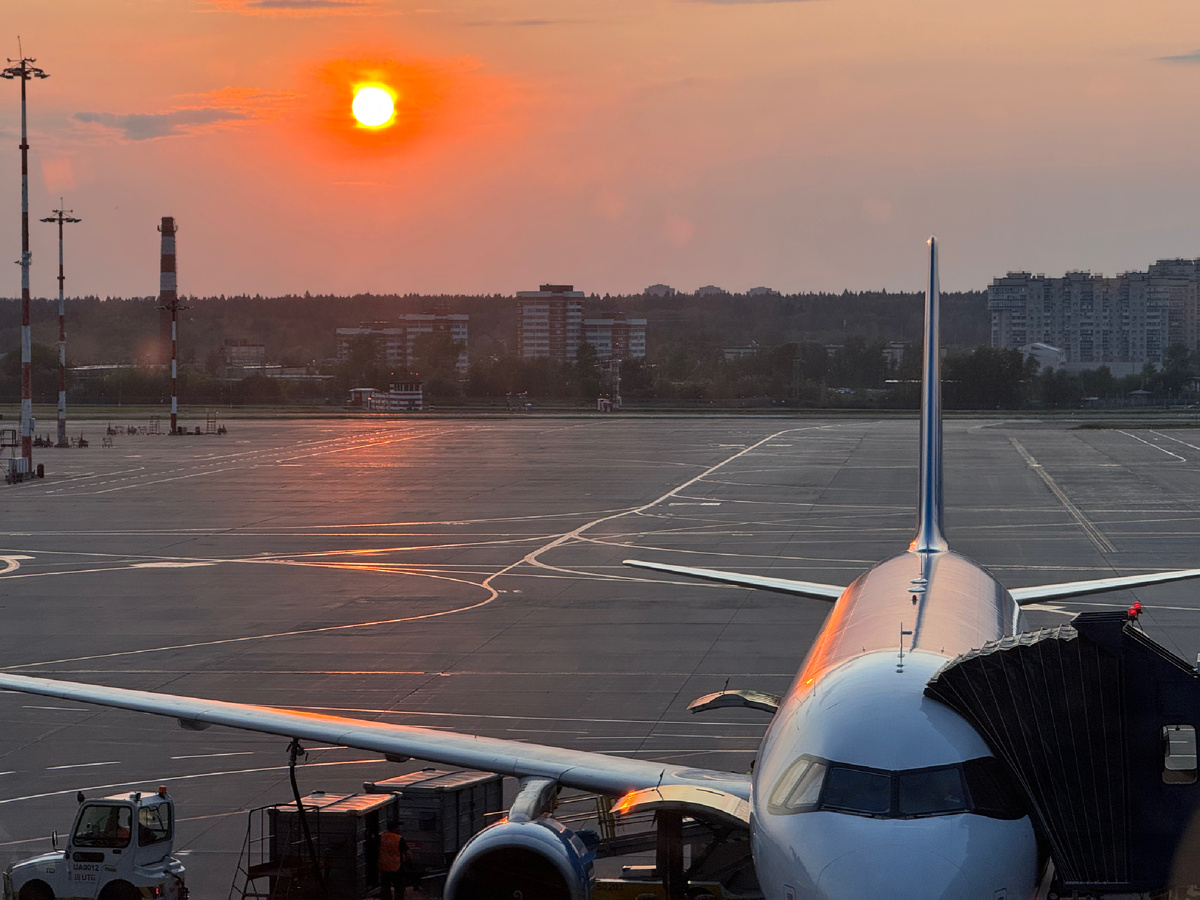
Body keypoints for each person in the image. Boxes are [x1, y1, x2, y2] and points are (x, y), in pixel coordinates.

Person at [378, 828, 408, 900]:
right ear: (395, 829)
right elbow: (407, 854)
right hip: (396, 868)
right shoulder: (399, 839)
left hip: (384, 867)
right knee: (399, 888)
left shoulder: (381, 837)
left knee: (385, 888)